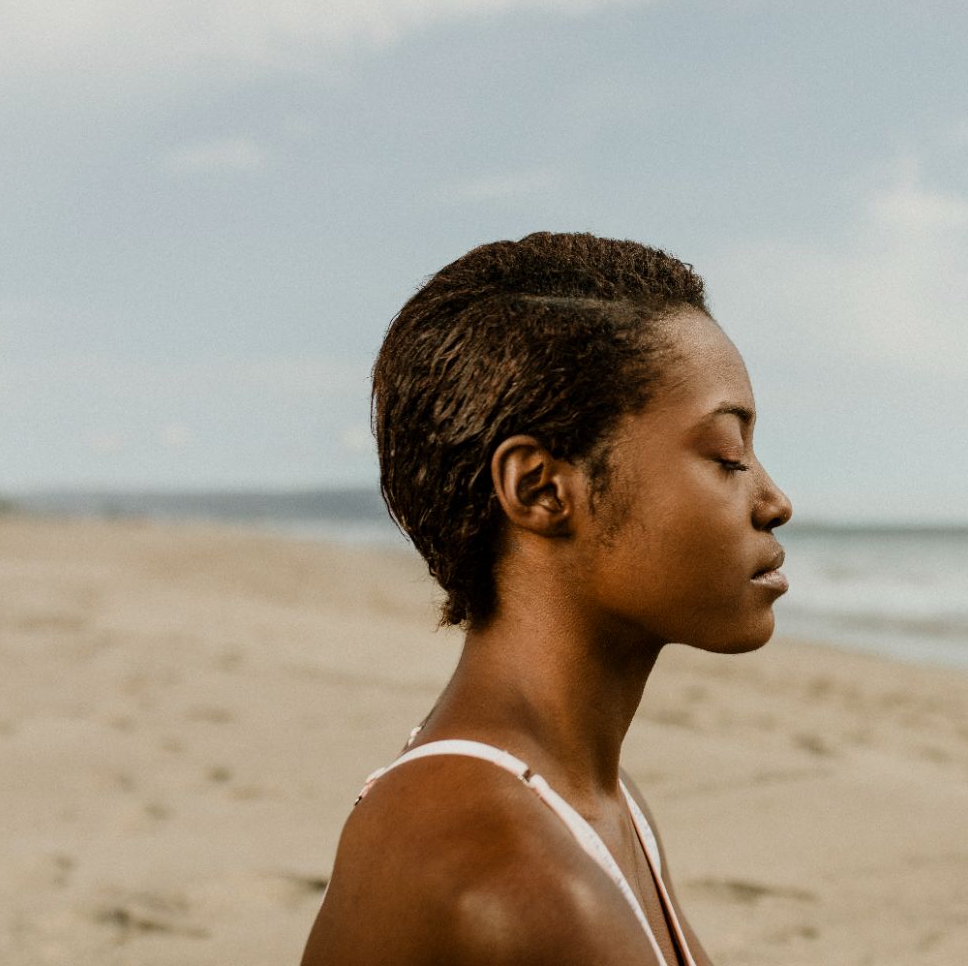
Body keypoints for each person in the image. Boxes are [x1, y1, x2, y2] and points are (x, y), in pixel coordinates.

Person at [301, 232, 792, 966]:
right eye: (726, 456)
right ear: (540, 489)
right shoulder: (513, 873)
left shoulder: (584, 801)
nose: (773, 500)